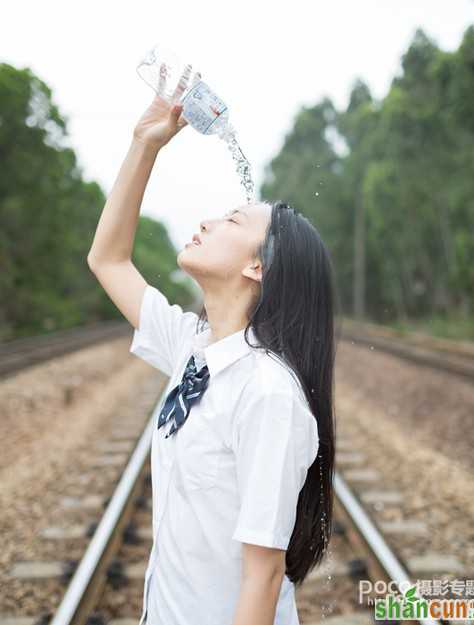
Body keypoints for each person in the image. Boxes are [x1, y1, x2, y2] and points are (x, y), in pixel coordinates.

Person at [87, 92, 338, 625]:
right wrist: (144, 145)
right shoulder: (193, 348)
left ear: (258, 268)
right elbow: (107, 259)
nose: (207, 222)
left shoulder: (267, 393)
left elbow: (264, 575)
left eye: (232, 220)